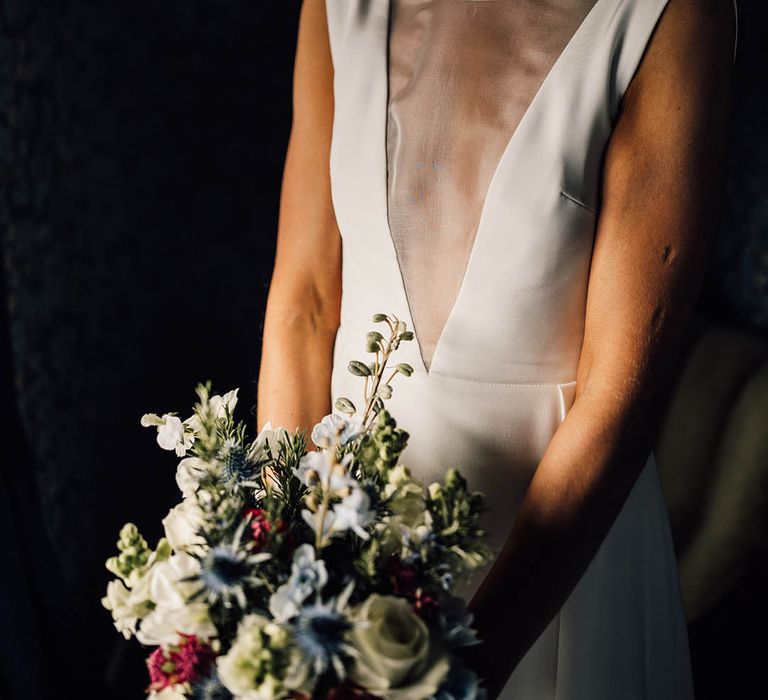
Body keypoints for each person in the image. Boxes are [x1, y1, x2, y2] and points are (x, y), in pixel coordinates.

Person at [257, 0, 738, 697]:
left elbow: (619, 397)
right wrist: (279, 583)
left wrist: (463, 669)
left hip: (551, 581)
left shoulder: (670, 16)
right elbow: (303, 306)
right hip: (338, 546)